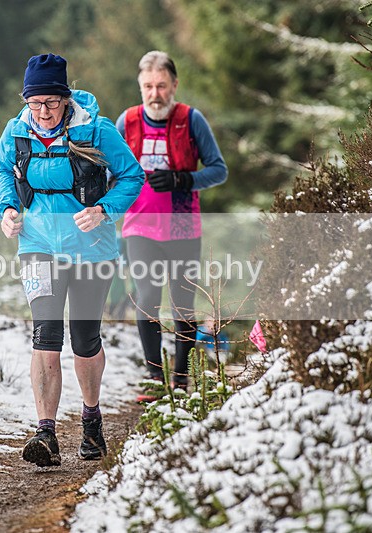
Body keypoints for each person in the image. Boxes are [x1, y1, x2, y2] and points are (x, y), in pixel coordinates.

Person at [0, 53, 144, 467]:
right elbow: (3, 170)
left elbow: (132, 176)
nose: (42, 112)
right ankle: (46, 433)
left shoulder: (96, 129)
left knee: (84, 338)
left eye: (51, 103)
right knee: (45, 335)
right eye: (34, 103)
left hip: (91, 248)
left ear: (65, 97)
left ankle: (92, 421)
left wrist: (104, 210)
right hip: (37, 243)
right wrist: (6, 209)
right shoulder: (16, 131)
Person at [116, 51, 227, 400]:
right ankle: (153, 378)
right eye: (148, 86)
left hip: (182, 226)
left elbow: (218, 169)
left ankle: (180, 378)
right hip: (138, 225)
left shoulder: (191, 120)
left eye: (162, 86)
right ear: (140, 87)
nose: (155, 94)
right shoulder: (128, 122)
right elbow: (110, 170)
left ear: (174, 85)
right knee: (147, 296)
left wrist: (182, 179)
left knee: (182, 303)